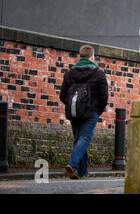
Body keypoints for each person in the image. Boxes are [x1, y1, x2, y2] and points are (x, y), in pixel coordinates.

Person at [59, 45, 108, 179]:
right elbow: (104, 96)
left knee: (79, 139)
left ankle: (82, 172)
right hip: (91, 112)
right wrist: (97, 110)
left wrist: (72, 105)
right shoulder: (98, 73)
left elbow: (62, 96)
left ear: (79, 56)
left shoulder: (70, 73)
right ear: (92, 57)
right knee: (84, 138)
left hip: (74, 111)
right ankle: (72, 164)